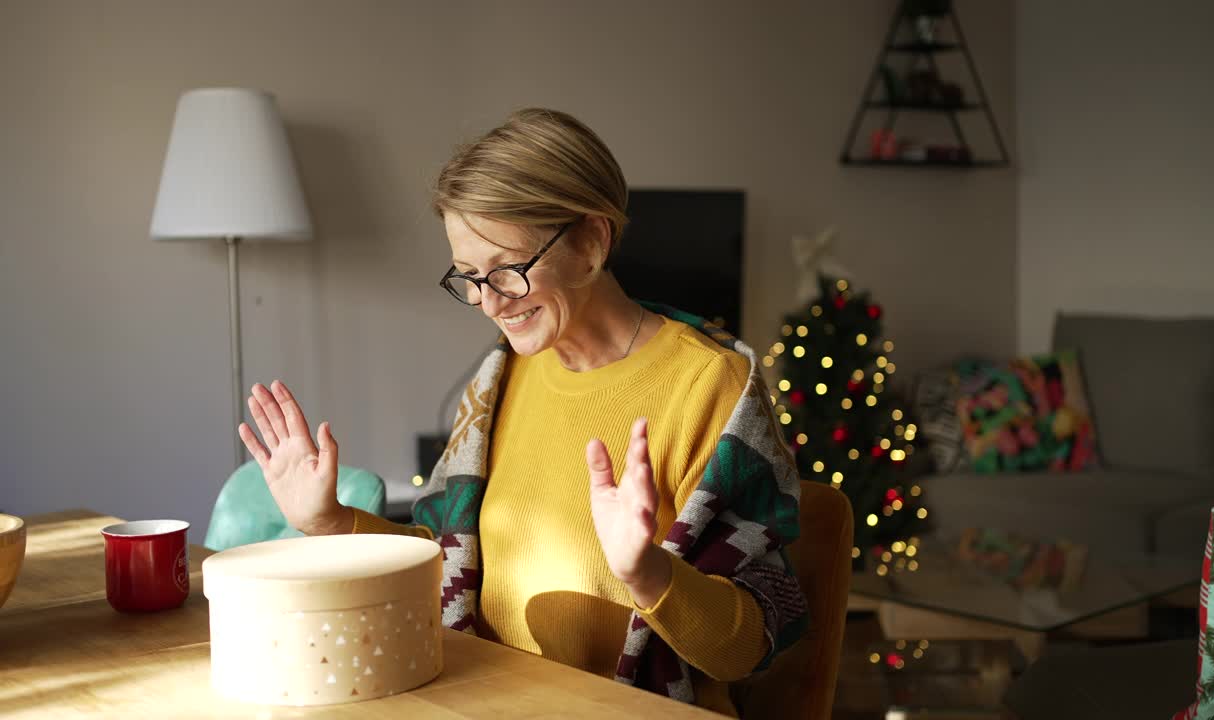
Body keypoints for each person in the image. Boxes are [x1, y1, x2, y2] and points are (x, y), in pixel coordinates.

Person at [237, 108, 806, 716]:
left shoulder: (708, 384)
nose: (487, 303)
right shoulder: (499, 378)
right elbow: (445, 569)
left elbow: (750, 646)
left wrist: (647, 573)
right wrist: (330, 522)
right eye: (469, 277)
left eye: (507, 271)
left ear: (591, 241)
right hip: (481, 700)